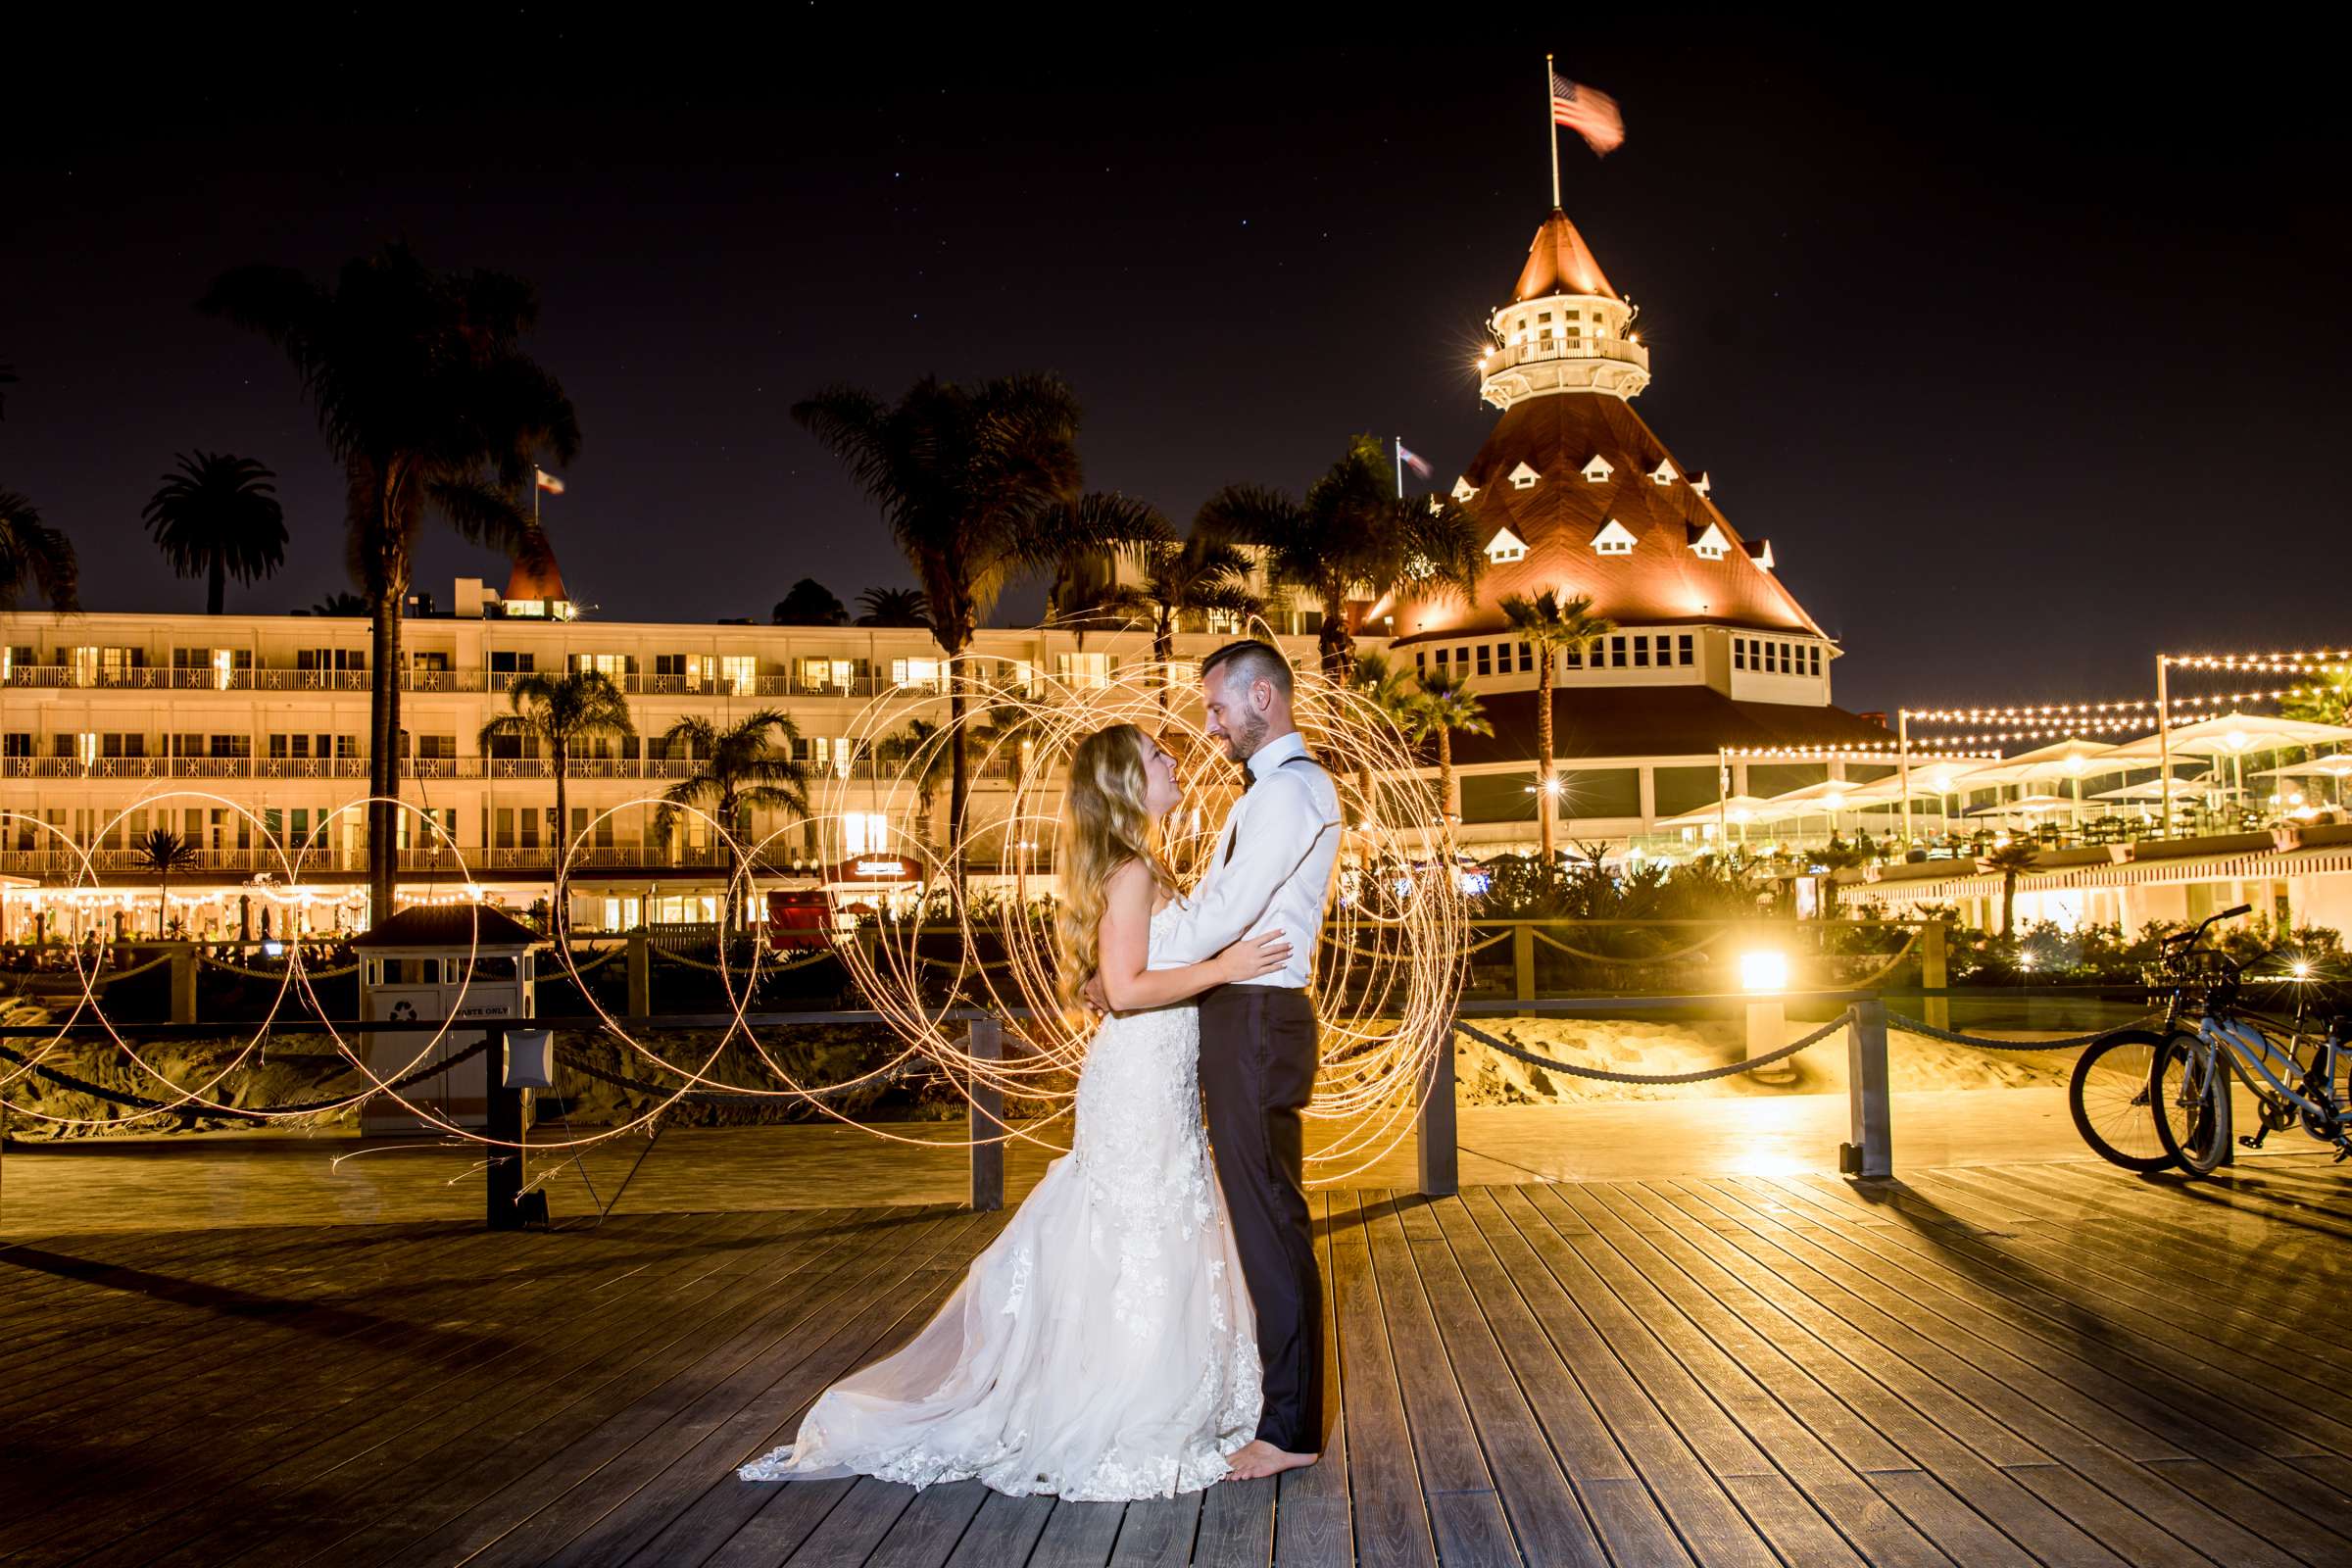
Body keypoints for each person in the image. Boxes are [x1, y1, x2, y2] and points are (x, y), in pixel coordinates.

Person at [737, 722, 1287, 1499]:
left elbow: (1111, 981)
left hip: (1153, 1072)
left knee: (1155, 1219)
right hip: (1137, 1078)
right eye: (1157, 758)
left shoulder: (1139, 863)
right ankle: (1128, 1398)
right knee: (1139, 1221)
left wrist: (1148, 977)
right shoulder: (1132, 871)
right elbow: (1126, 989)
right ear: (1128, 783)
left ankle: (1150, 1383)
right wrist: (1223, 966)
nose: (1173, 761)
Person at [1150, 638, 1344, 1482]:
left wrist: (1135, 963)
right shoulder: (1267, 795)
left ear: (1264, 697)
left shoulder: (1291, 793)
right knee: (1266, 1216)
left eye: (1217, 706)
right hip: (1245, 1014)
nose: (1209, 722)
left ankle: (1292, 1428)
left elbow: (1224, 913)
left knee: (1270, 1224)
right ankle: (1283, 1410)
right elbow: (1218, 908)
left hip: (1258, 1020)